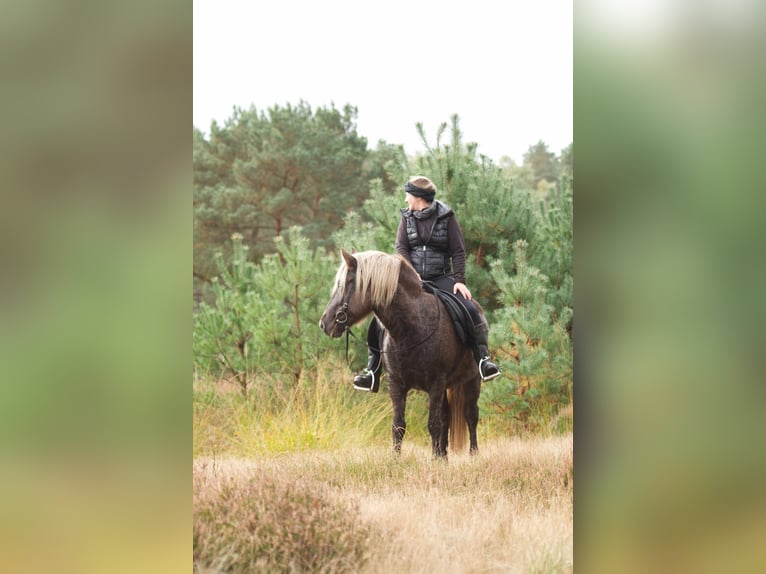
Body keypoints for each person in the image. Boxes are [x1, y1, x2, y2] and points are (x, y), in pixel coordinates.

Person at [353, 175, 500, 392]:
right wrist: (412, 274)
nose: (405, 200)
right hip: (411, 281)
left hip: (441, 277)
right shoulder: (406, 218)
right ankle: (372, 371)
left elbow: (458, 251)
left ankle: (483, 360)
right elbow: (401, 248)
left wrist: (459, 281)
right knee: (379, 318)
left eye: (407, 195)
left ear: (417, 197)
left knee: (469, 308)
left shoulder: (447, 217)